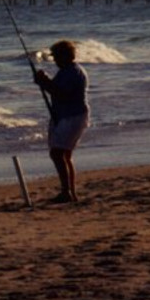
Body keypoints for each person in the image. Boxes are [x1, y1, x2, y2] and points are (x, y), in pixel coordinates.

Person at [33, 40, 89, 203]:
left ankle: (66, 192)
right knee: (64, 154)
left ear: (65, 56)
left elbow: (61, 94)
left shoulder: (73, 72)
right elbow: (56, 90)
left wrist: (44, 82)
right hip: (66, 115)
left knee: (57, 153)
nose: (55, 60)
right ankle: (69, 192)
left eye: (56, 56)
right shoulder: (66, 71)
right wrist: (45, 82)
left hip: (72, 116)